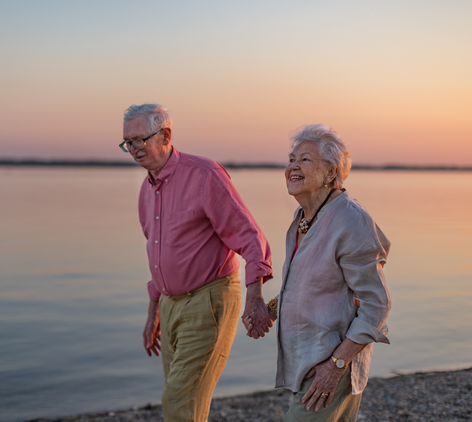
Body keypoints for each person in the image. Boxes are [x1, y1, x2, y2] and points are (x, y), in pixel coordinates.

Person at [120, 103, 275, 422]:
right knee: (184, 404)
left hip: (208, 300)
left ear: (165, 135)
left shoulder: (204, 174)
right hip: (169, 304)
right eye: (128, 143)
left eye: (139, 140)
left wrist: (255, 298)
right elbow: (157, 252)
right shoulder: (146, 189)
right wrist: (154, 312)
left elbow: (250, 237)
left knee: (178, 400)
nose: (133, 149)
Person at [244, 124, 392, 422]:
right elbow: (310, 286)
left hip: (331, 363)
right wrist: (270, 309)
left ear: (331, 174)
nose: (292, 167)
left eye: (305, 159)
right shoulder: (304, 218)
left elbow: (377, 305)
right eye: (291, 159)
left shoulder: (350, 220)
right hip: (308, 361)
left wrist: (335, 366)